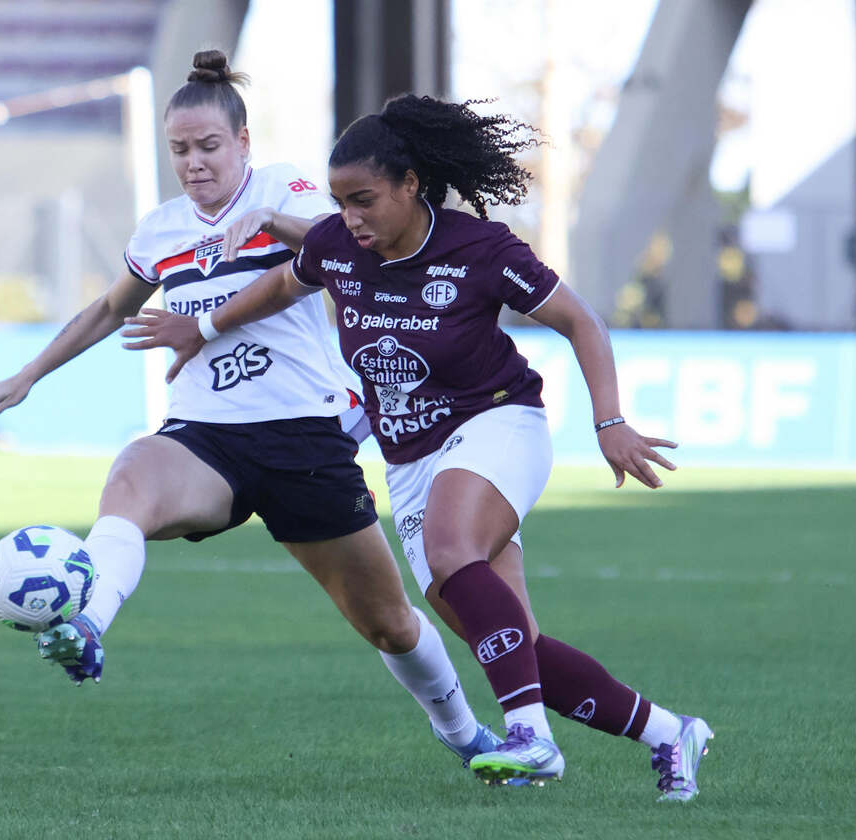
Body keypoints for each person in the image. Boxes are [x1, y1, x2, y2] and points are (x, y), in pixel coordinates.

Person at [124, 94, 714, 801]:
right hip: (409, 463)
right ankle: (669, 733)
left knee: (450, 550)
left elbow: (581, 321)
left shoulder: (481, 249)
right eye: (339, 202)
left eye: (364, 200)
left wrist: (610, 422)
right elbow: (285, 281)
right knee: (509, 644)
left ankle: (532, 741)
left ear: (410, 184)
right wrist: (205, 327)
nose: (350, 219)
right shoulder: (339, 247)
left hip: (497, 423)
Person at [0, 53, 503, 772]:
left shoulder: (297, 190)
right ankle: (87, 625)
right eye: (180, 150)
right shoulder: (159, 232)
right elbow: (106, 310)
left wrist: (265, 221)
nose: (193, 163)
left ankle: (464, 733)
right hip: (205, 438)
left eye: (209, 146)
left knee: (390, 624)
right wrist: (27, 375)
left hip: (303, 437)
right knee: (130, 481)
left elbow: (353, 254)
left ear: (244, 141)